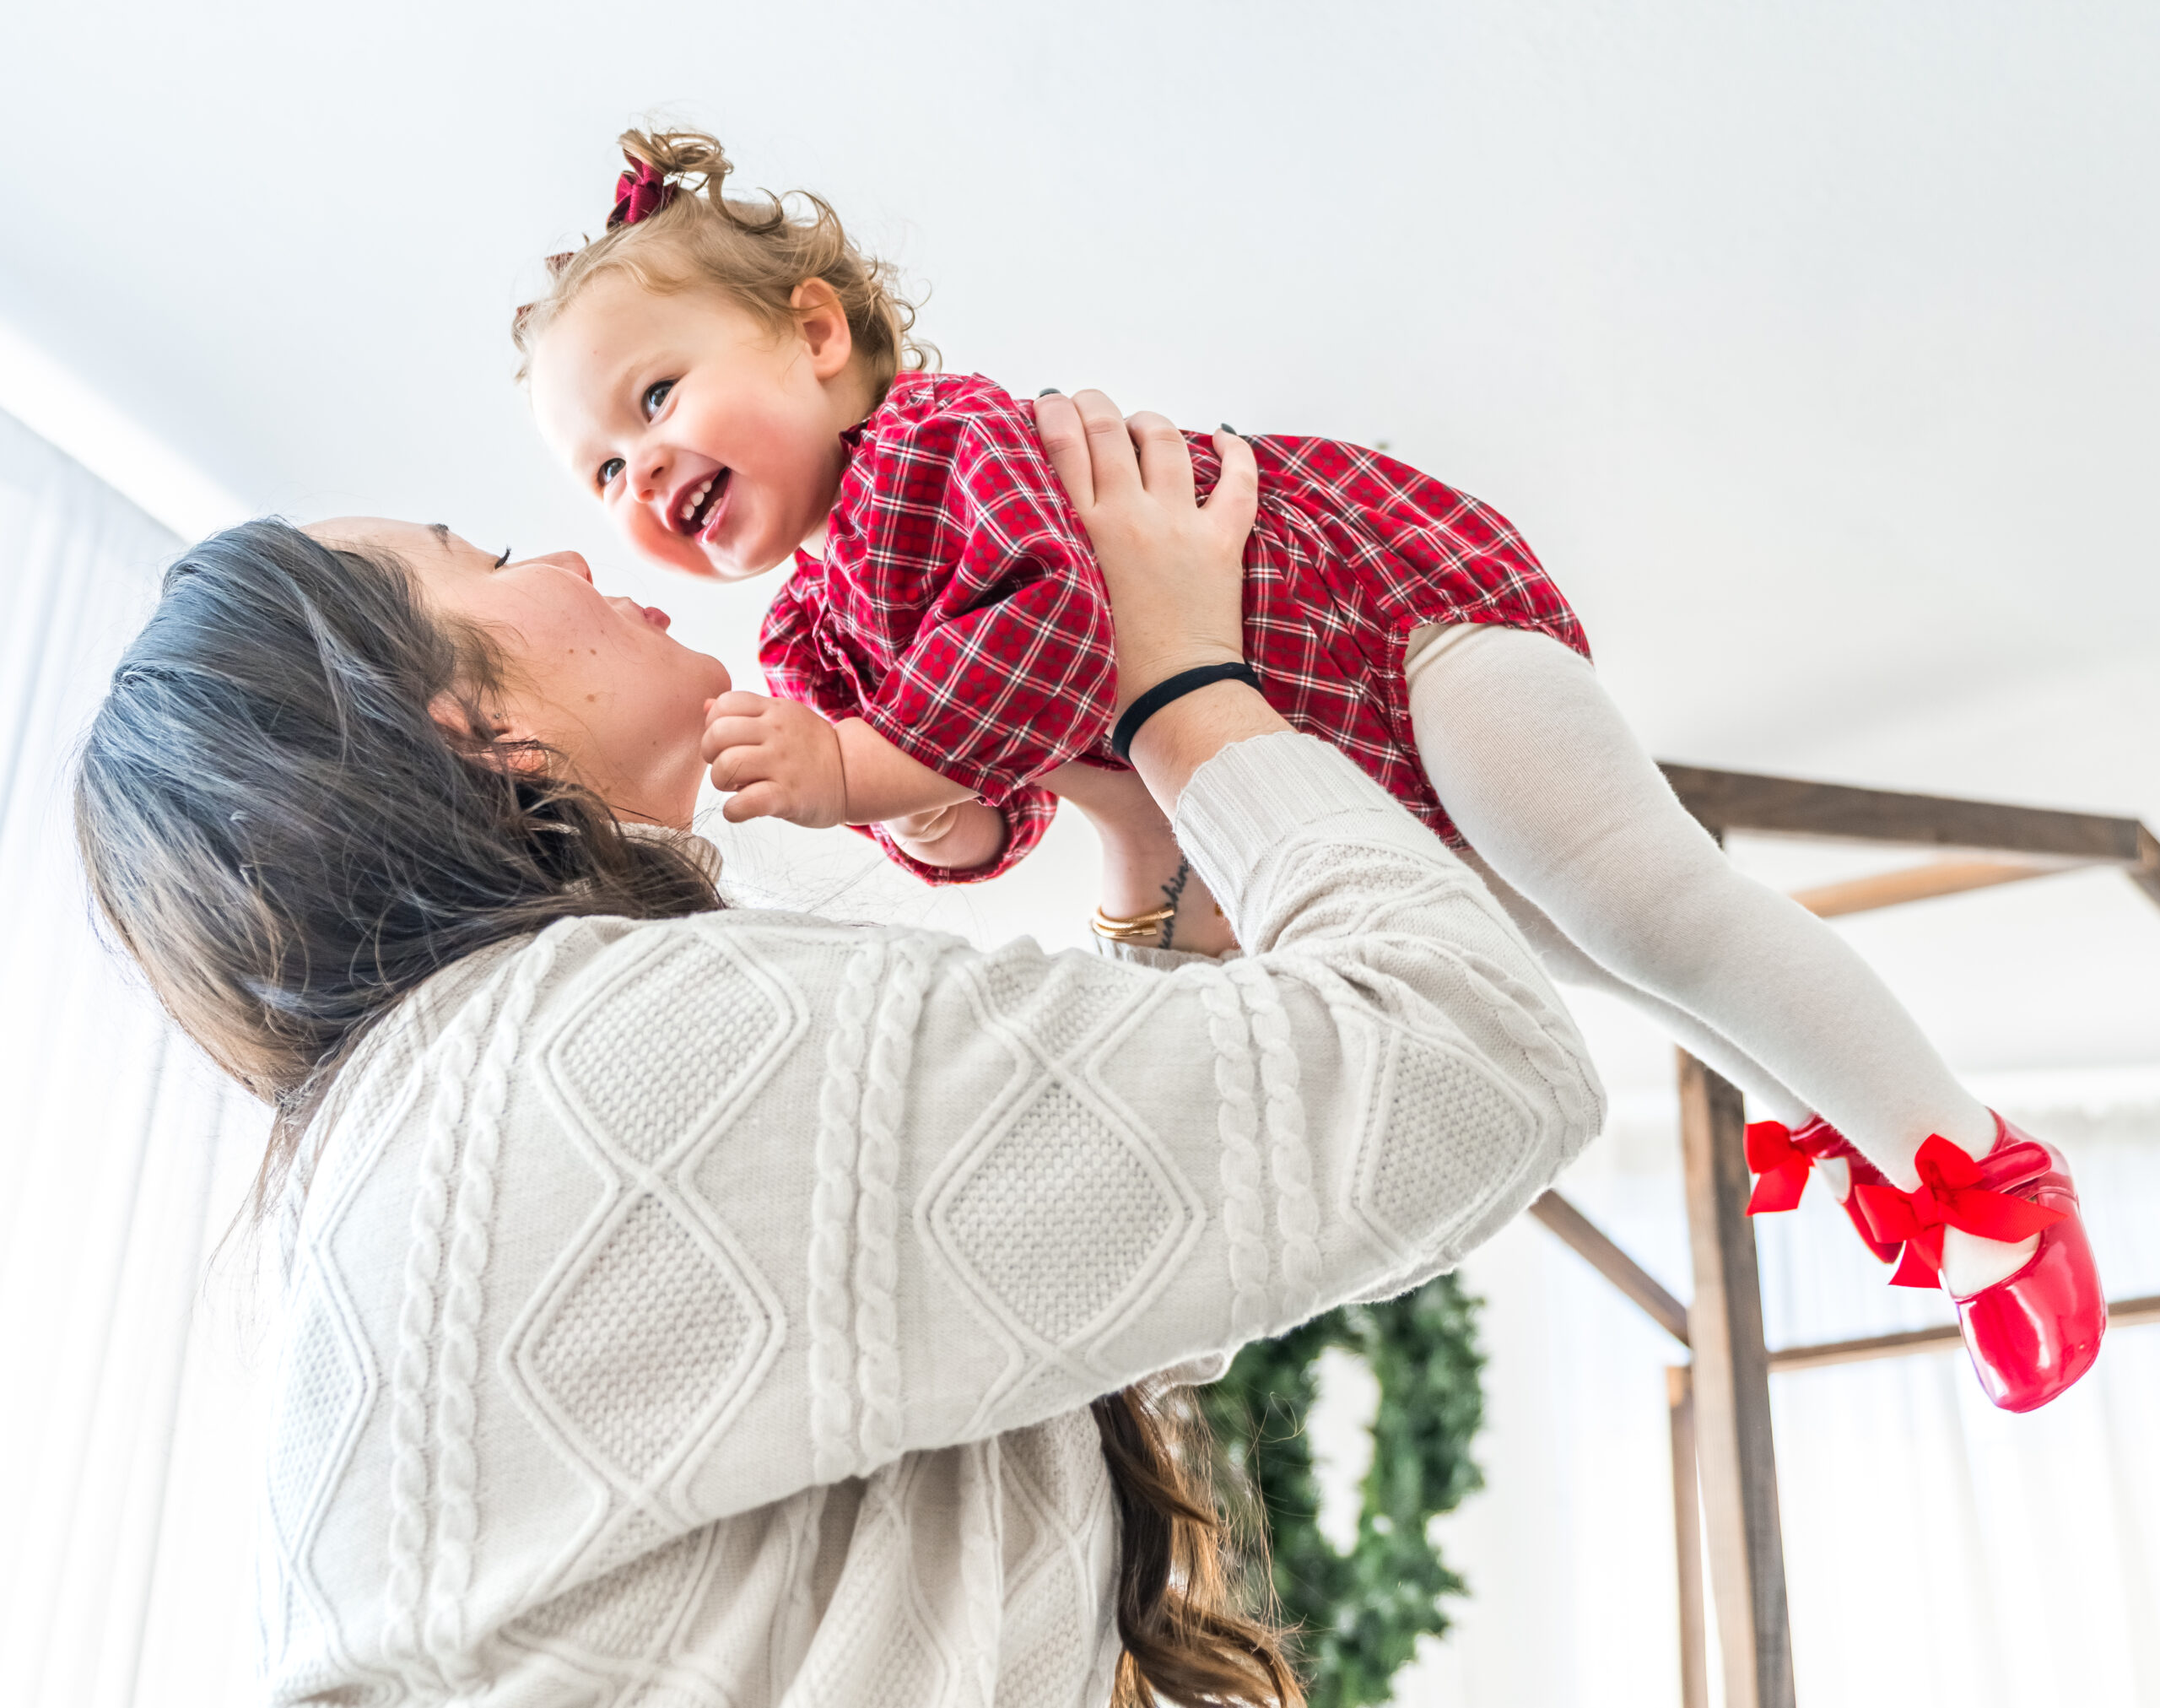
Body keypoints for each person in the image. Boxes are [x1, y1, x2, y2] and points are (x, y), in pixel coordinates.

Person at [510, 127, 2103, 1414]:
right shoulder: (816, 629)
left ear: (813, 333)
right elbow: (999, 794)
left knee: (1653, 903)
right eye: (599, 470)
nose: (639, 470)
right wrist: (939, 813)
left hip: (1400, 634)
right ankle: (1852, 1124)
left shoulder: (941, 443)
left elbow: (1063, 635)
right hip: (1319, 783)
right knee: (1597, 961)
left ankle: (1983, 1176)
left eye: (656, 398)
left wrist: (866, 764)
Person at [74, 402, 1602, 1705]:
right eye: (477, 558)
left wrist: (1143, 825)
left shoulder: (450, 1113)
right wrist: (1190, 692)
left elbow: (1086, 1274)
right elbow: (1469, 1060)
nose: (563, 551)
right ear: (475, 728)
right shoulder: (611, 1049)